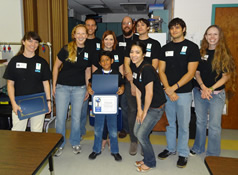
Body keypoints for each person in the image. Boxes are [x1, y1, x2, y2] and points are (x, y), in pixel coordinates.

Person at [158, 18, 200, 168]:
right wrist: (168, 89)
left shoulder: (192, 47)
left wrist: (173, 88)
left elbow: (191, 73)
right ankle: (170, 148)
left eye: (177, 28)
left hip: (183, 93)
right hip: (168, 92)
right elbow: (161, 70)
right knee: (169, 123)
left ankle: (183, 153)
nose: (174, 30)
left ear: (183, 29)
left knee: (183, 125)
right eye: (172, 28)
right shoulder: (165, 48)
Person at [190, 25, 236, 156]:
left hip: (216, 95)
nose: (212, 37)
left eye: (215, 34)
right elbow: (196, 72)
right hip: (200, 92)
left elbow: (226, 76)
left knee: (214, 126)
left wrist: (210, 89)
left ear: (219, 36)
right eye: (209, 34)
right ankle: (198, 148)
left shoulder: (224, 54)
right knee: (200, 122)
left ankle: (213, 153)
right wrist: (203, 87)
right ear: (205, 37)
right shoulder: (201, 53)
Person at [124, 18, 161, 155]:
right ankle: (134, 140)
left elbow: (155, 65)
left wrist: (144, 81)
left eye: (142, 25)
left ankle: (144, 138)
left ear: (148, 28)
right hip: (132, 82)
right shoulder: (131, 43)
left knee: (147, 111)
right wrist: (133, 83)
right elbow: (126, 64)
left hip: (147, 82)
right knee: (133, 111)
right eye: (137, 25)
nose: (139, 27)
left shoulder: (155, 44)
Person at [53, 24, 91, 157]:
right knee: (61, 118)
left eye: (83, 34)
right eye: (78, 33)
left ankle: (75, 142)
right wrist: (54, 85)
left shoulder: (88, 51)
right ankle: (59, 144)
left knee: (76, 118)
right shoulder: (66, 49)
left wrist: (88, 87)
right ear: (74, 35)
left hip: (79, 89)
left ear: (87, 35)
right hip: (62, 88)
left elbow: (87, 71)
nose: (81, 36)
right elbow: (56, 67)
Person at [3, 31, 51, 132]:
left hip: (38, 101)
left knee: (36, 132)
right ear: (23, 42)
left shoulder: (42, 62)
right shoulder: (14, 61)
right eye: (30, 41)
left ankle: (35, 149)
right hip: (20, 103)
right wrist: (13, 103)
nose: (33, 45)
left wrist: (48, 101)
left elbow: (46, 83)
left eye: (36, 42)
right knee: (17, 132)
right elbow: (10, 84)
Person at [130, 41, 166, 172]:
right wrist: (139, 109)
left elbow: (149, 93)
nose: (134, 55)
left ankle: (150, 162)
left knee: (142, 135)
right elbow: (139, 90)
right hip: (145, 104)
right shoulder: (134, 67)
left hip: (155, 107)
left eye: (137, 52)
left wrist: (144, 112)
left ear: (143, 54)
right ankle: (146, 159)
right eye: (132, 52)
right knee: (136, 132)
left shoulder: (148, 69)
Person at [88, 51, 124, 161]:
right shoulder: (96, 74)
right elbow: (90, 83)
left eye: (107, 59)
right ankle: (96, 149)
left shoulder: (117, 74)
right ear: (99, 62)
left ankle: (115, 151)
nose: (105, 62)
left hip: (111, 106)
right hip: (99, 105)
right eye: (102, 60)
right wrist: (89, 88)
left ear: (112, 61)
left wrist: (122, 88)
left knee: (113, 129)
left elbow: (122, 83)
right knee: (98, 128)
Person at [92, 30, 124, 150]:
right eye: (106, 39)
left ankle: (114, 149)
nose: (109, 42)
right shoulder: (97, 61)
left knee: (112, 124)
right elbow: (92, 80)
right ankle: (99, 145)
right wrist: (90, 88)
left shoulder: (118, 55)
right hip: (100, 97)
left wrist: (121, 87)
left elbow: (121, 78)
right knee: (99, 125)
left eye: (111, 39)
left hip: (112, 96)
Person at [117, 16, 139, 139]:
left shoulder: (137, 39)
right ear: (122, 25)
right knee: (124, 106)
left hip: (135, 78)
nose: (126, 25)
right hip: (121, 78)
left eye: (129, 23)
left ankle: (136, 129)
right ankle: (126, 128)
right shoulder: (117, 40)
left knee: (135, 107)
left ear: (133, 25)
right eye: (124, 23)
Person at [80, 17, 101, 139]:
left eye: (93, 25)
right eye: (88, 25)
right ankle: (82, 130)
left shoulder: (99, 42)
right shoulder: (81, 42)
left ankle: (99, 131)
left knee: (97, 106)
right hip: (82, 80)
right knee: (82, 108)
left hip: (97, 79)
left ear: (96, 27)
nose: (90, 28)